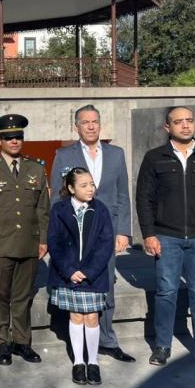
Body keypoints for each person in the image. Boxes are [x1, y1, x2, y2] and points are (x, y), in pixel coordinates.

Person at [136, 106, 195, 371]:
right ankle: (163, 345)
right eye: (178, 122)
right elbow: (144, 199)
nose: (185, 126)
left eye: (189, 120)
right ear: (167, 127)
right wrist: (149, 234)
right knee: (166, 292)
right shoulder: (155, 158)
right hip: (167, 237)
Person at [49, 105, 135, 363]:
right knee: (76, 283)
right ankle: (78, 346)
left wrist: (123, 231)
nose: (90, 126)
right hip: (74, 235)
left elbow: (122, 195)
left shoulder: (116, 154)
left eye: (95, 121)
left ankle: (106, 340)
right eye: (85, 122)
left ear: (100, 124)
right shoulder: (64, 155)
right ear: (76, 126)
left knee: (105, 285)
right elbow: (56, 196)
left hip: (105, 234)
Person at [0, 114, 49, 366]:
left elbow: (42, 209)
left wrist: (43, 239)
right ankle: (3, 342)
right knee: (1, 296)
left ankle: (23, 343)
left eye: (18, 137)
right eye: (8, 137)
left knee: (23, 296)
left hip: (29, 242)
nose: (14, 141)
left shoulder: (36, 168)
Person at [48, 167, 115, 385]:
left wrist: (89, 271)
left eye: (92, 184)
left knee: (93, 317)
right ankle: (78, 363)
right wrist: (69, 270)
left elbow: (106, 244)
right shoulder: (59, 210)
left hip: (93, 275)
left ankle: (93, 363)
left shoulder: (100, 209)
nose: (90, 189)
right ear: (70, 188)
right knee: (76, 317)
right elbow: (55, 243)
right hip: (68, 274)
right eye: (84, 185)